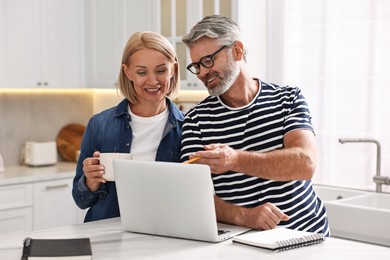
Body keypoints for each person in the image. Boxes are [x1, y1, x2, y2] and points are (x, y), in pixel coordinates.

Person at [180, 15, 330, 236]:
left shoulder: (288, 99)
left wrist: (235, 159)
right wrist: (245, 216)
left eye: (208, 61)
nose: (202, 73)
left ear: (237, 51)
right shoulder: (196, 120)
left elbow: (305, 163)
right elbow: (193, 196)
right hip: (244, 244)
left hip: (307, 235)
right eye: (196, 66)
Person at [72, 31, 184, 222]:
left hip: (162, 236)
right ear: (128, 72)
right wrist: (91, 181)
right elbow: (81, 199)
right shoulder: (99, 125)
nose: (152, 81)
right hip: (106, 237)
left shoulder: (187, 128)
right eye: (141, 72)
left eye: (161, 70)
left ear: (173, 69)